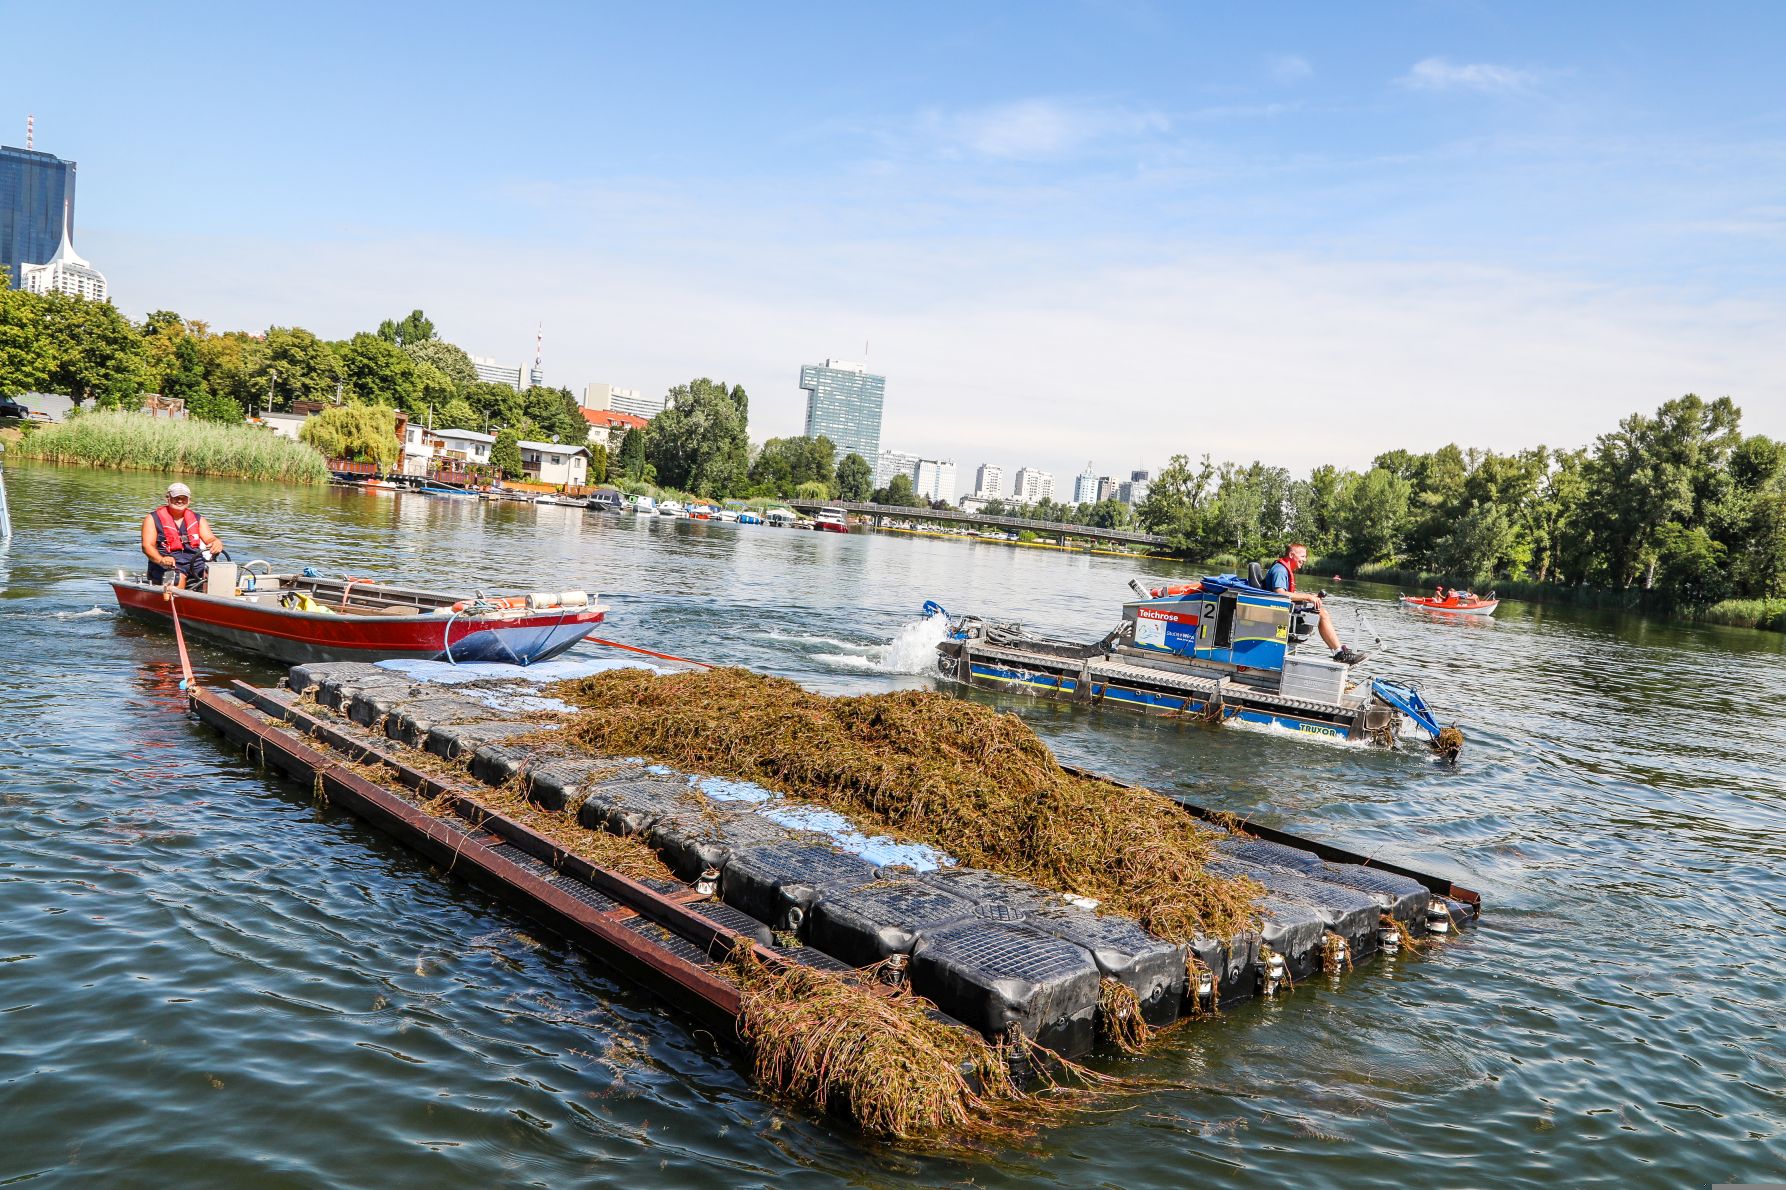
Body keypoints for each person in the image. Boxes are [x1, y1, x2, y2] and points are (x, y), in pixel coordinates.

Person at [1263, 543, 1368, 665]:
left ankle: (1339, 652)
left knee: (1321, 612)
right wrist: (1307, 597)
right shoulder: (1280, 570)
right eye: (1302, 556)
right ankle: (1339, 654)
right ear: (1291, 555)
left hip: (1284, 611)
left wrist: (1309, 597)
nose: (1305, 560)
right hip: (1279, 615)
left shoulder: (1282, 568)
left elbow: (1287, 593)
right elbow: (1280, 593)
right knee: (1321, 614)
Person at [141, 482, 224, 589]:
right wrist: (161, 560)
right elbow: (147, 546)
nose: (180, 501)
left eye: (183, 498)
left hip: (196, 563)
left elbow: (210, 538)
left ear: (189, 500)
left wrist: (216, 542)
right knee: (176, 579)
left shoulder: (198, 519)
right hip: (167, 565)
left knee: (215, 576)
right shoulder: (152, 519)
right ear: (168, 498)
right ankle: (174, 601)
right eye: (176, 497)